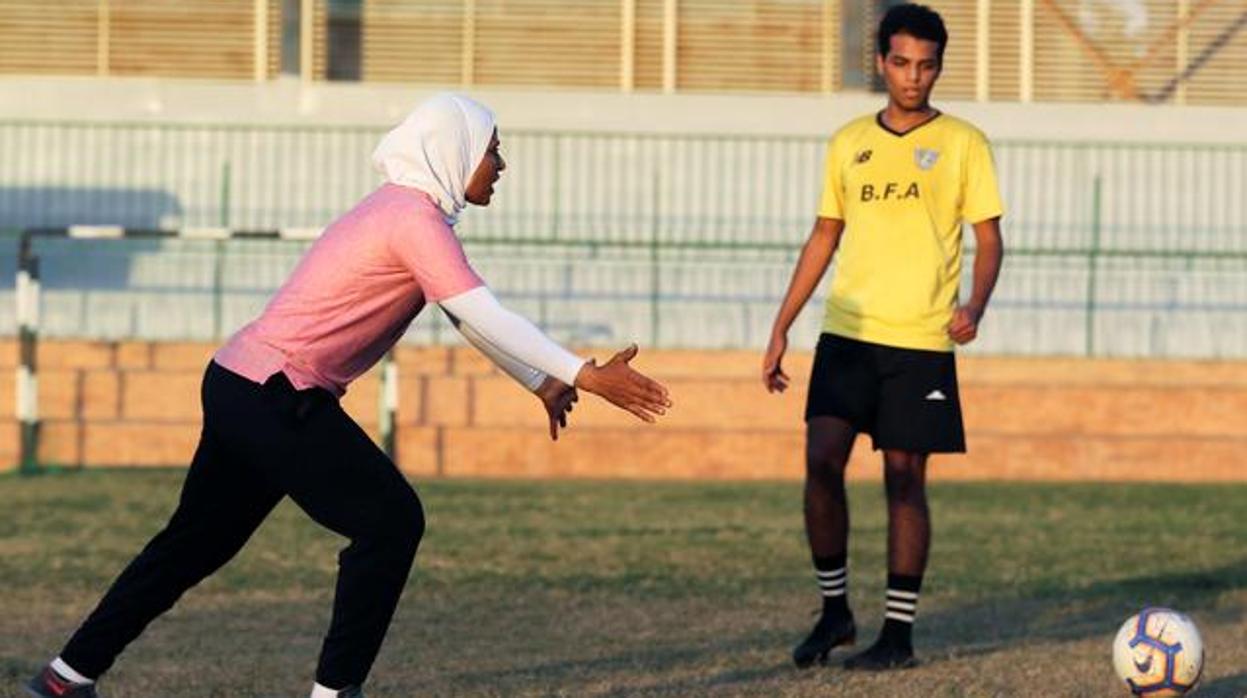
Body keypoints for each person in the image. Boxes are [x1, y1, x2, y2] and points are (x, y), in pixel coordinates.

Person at [25, 93, 671, 698]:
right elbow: (485, 310)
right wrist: (581, 373)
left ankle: (65, 675)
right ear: (454, 149)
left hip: (238, 382)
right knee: (390, 522)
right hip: (276, 393)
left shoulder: (406, 212)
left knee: (192, 545)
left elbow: (466, 317)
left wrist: (541, 380)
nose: (501, 164)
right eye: (493, 149)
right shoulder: (412, 219)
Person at [762, 4, 1004, 672]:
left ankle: (897, 636)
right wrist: (781, 326)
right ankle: (834, 610)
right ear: (880, 62)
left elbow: (988, 239)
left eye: (925, 65)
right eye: (900, 62)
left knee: (903, 480)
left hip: (921, 341)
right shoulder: (847, 142)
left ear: (938, 67)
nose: (912, 77)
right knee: (820, 460)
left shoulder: (963, 143)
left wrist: (975, 304)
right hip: (848, 333)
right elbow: (822, 235)